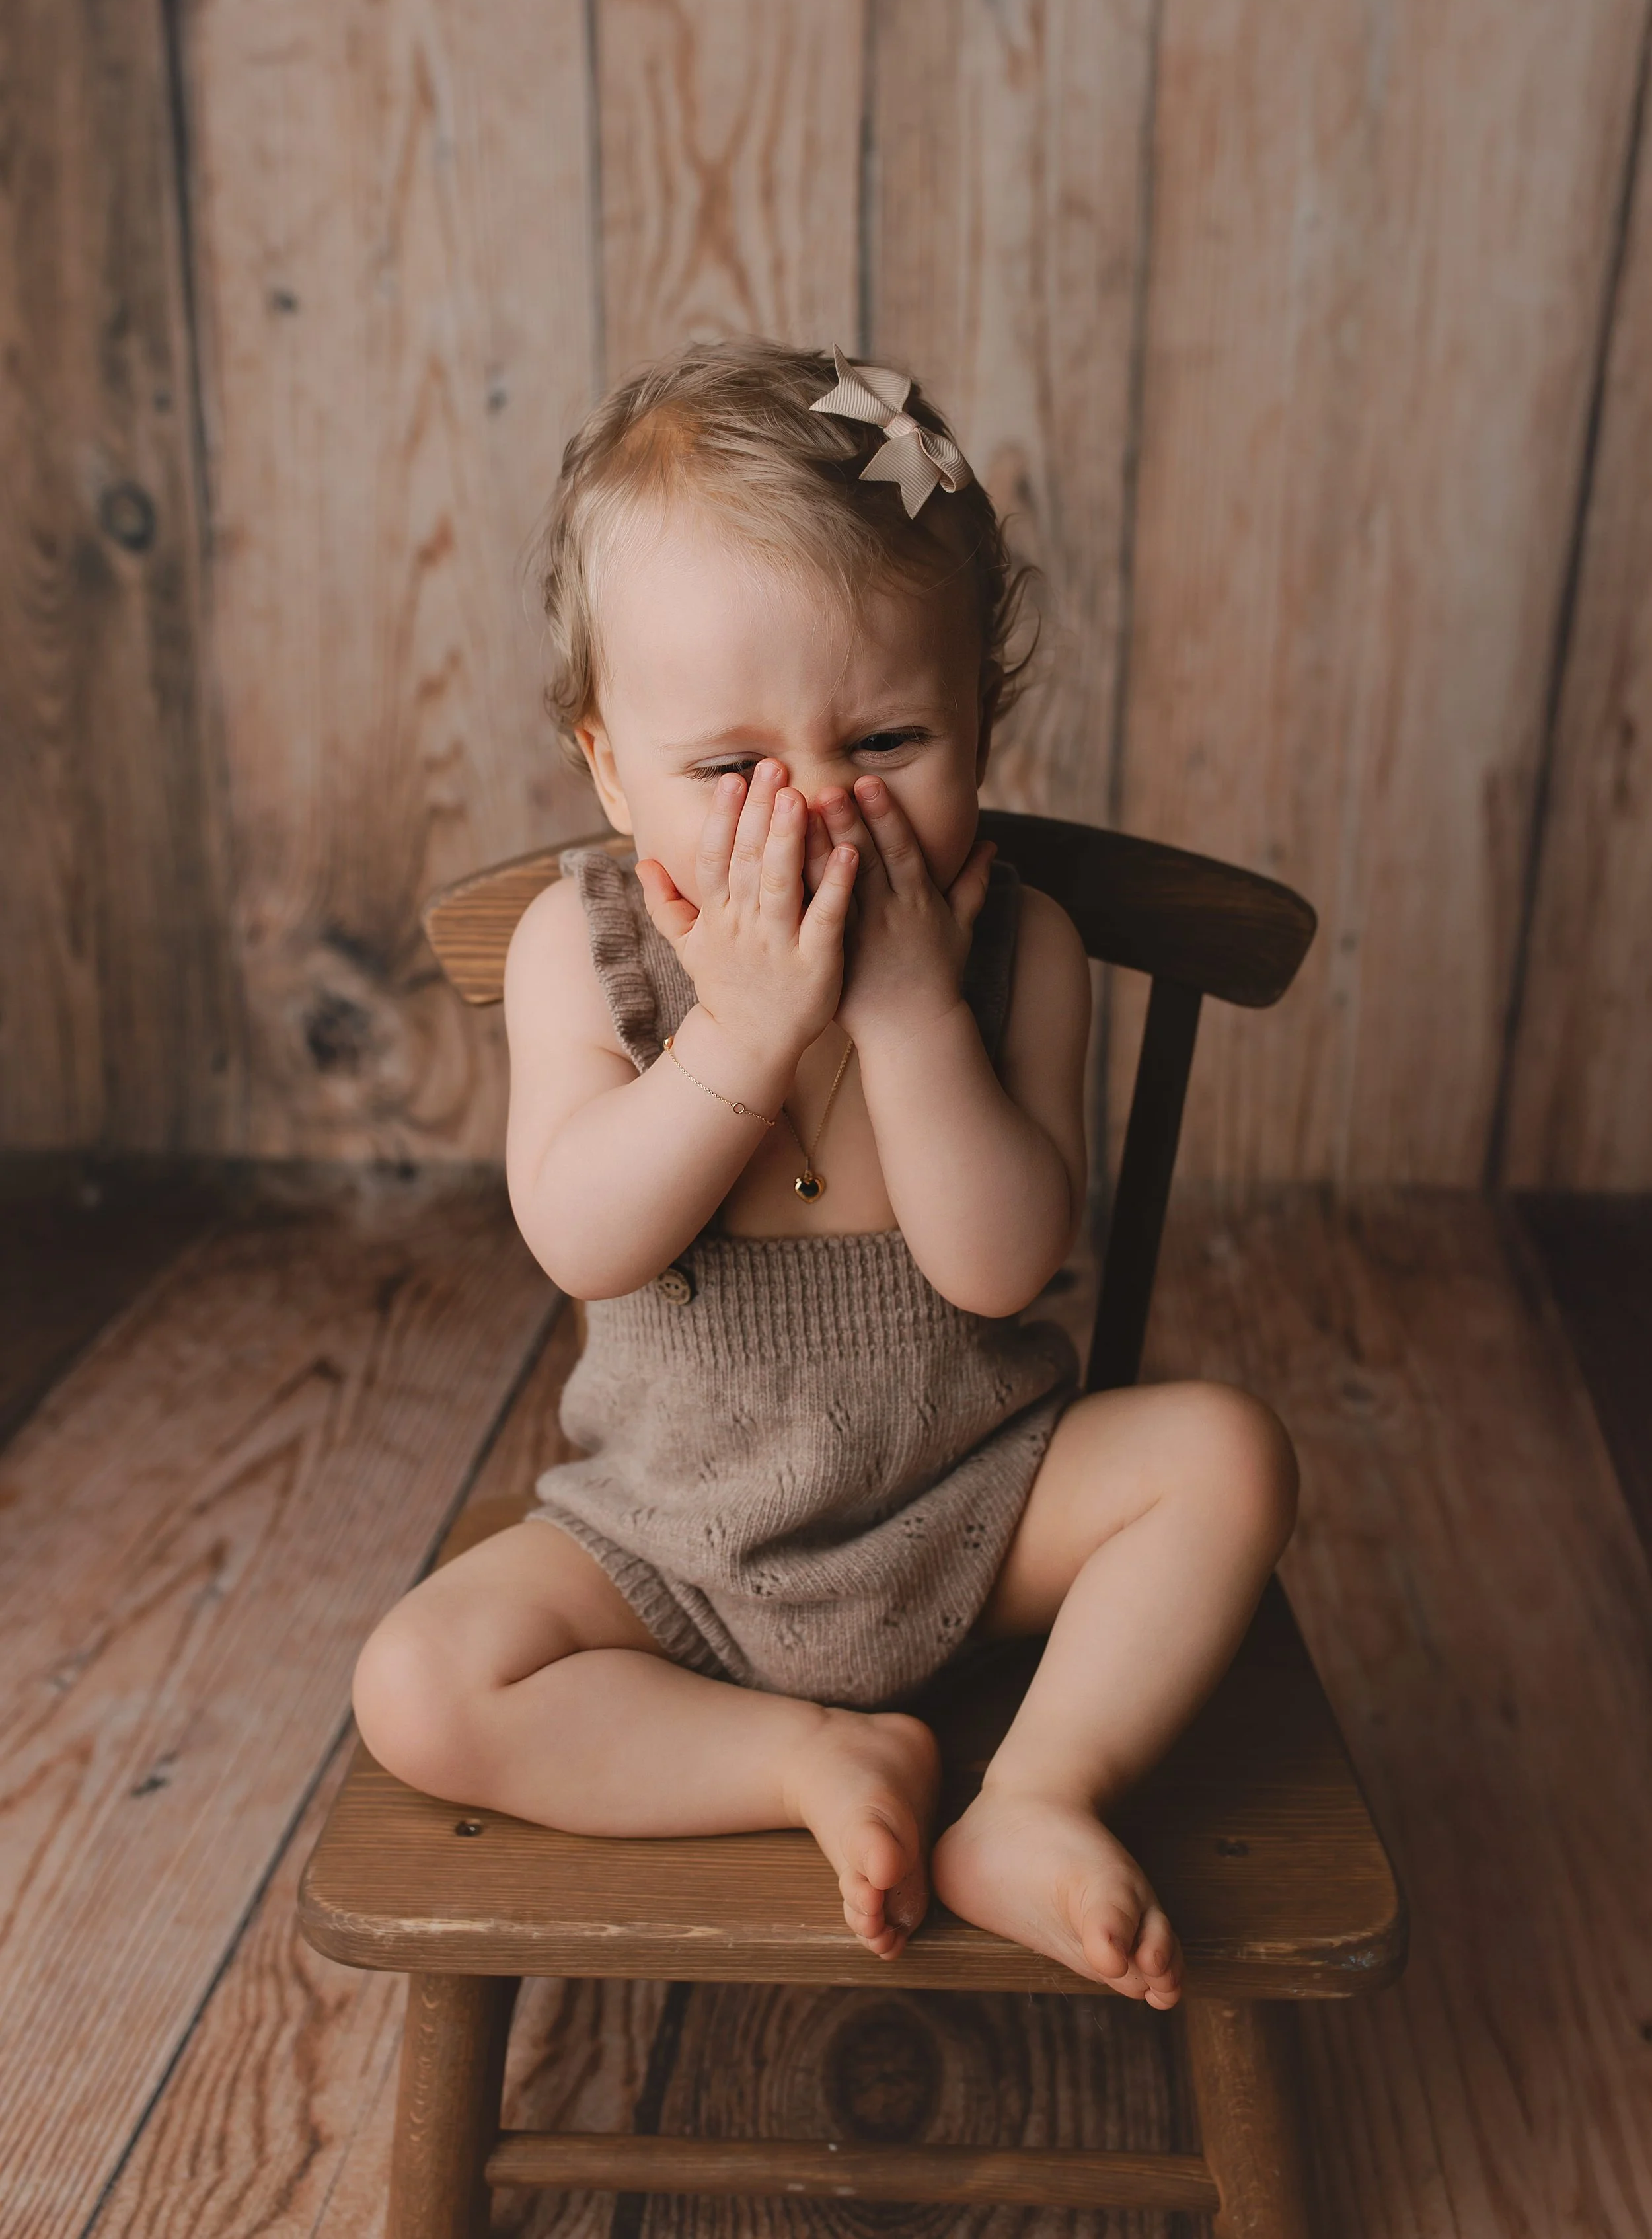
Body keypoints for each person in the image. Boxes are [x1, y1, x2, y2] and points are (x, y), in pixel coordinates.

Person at [352, 338, 1297, 2008]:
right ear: (604, 764)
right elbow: (580, 1235)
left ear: (981, 727)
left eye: (886, 738)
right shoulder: (588, 954)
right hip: (668, 1545)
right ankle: (799, 1757)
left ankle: (1034, 1794)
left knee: (1219, 1456)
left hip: (973, 1506)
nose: (818, 807)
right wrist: (735, 1041)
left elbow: (1002, 1267)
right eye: (727, 768)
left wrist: (918, 1022)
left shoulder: (1023, 952)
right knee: (420, 1682)